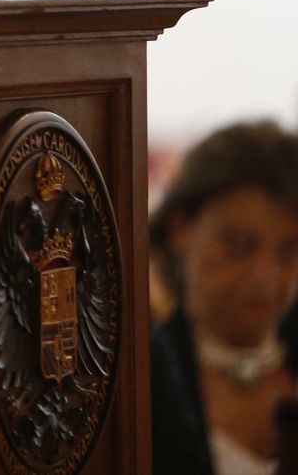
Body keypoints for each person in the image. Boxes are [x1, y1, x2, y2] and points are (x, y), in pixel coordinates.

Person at [150, 120, 298, 475]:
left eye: (289, 251)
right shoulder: (141, 377)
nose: (265, 277)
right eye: (239, 246)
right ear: (180, 229)